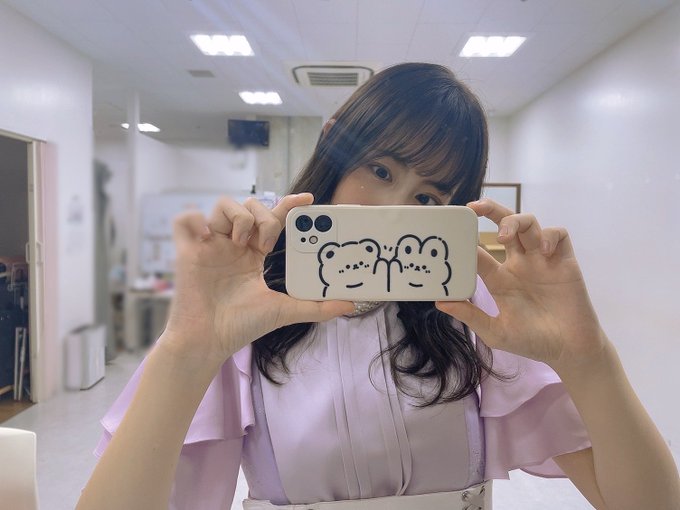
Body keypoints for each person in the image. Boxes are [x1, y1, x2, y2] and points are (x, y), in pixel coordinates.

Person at [76, 63, 679, 510]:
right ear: (336, 146)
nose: (393, 209)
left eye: (427, 197)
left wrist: (589, 359)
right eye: (381, 169)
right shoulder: (253, 308)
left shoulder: (474, 315)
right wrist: (186, 352)